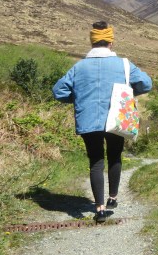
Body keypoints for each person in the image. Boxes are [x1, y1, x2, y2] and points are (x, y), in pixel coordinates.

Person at [53, 21, 152, 223]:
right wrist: (131, 93)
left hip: (88, 118)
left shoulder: (79, 67)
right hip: (117, 116)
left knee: (96, 161)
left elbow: (59, 91)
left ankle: (99, 208)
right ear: (111, 42)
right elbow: (146, 83)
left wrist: (79, 98)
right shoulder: (124, 64)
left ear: (92, 42)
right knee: (115, 156)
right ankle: (112, 198)